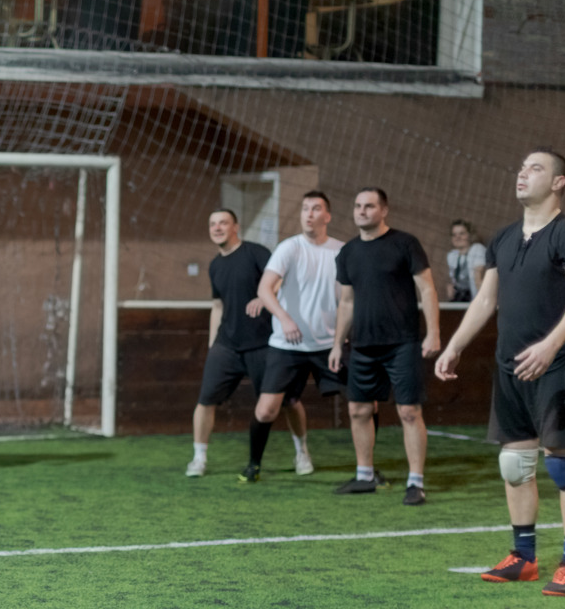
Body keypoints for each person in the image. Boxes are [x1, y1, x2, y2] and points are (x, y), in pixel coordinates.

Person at [436, 148, 565, 597]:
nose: (523, 174)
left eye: (536, 168)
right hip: (511, 368)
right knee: (514, 465)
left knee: (563, 468)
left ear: (559, 182)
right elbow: (486, 301)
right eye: (521, 167)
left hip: (556, 365)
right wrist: (455, 346)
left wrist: (551, 345)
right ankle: (523, 558)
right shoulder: (503, 238)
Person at [329, 188, 439, 505]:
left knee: (408, 411)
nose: (362, 211)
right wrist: (337, 344)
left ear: (384, 209)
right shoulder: (348, 252)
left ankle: (415, 482)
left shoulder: (405, 244)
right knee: (358, 409)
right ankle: (365, 476)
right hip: (362, 346)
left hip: (402, 343)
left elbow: (427, 289)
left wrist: (433, 333)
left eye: (370, 206)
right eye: (358, 206)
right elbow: (346, 302)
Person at [246, 191, 341, 483]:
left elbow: (352, 297)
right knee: (266, 410)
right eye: (304, 209)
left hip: (330, 344)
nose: (309, 214)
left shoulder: (342, 250)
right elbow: (265, 289)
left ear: (327, 216)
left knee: (364, 404)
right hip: (287, 345)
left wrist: (343, 336)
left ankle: (367, 469)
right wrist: (284, 318)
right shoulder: (289, 248)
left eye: (316, 209)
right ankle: (254, 466)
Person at [187, 209, 286, 478]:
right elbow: (217, 305)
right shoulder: (215, 265)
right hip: (226, 345)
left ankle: (302, 452)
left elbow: (279, 279)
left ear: (236, 227)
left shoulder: (256, 253)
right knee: (205, 400)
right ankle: (199, 458)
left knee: (288, 401)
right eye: (212, 224)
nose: (217, 228)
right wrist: (212, 346)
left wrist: (263, 297)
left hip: (263, 342)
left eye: (223, 223)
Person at [446, 219, 487, 302]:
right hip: (460, 298)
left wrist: (482, 302)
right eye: (454, 235)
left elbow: (478, 276)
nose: (458, 237)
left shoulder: (477, 249)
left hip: (475, 298)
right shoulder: (452, 256)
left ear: (469, 235)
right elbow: (455, 280)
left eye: (462, 233)